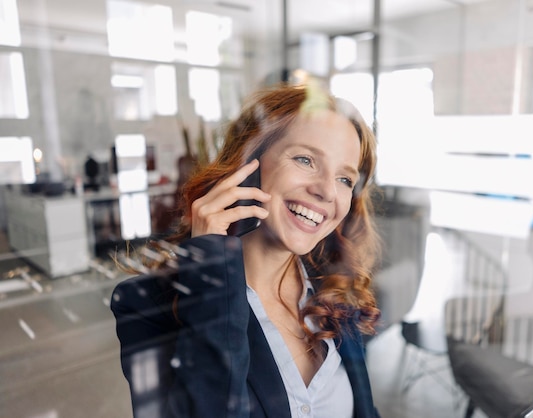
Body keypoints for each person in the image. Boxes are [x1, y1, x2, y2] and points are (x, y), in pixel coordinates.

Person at [110, 82, 382, 418]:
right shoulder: (148, 305)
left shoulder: (337, 292)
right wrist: (209, 270)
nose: (327, 191)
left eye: (344, 179)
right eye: (305, 160)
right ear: (247, 164)